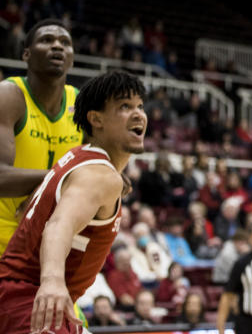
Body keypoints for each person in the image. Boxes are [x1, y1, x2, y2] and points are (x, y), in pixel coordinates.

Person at [0, 70, 148, 333]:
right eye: (124, 106)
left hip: (17, 296)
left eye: (139, 106)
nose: (138, 114)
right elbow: (58, 225)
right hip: (31, 303)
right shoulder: (100, 175)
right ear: (96, 119)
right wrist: (53, 281)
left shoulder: (77, 157)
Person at [0, 19, 81, 254]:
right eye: (47, 40)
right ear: (26, 54)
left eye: (65, 43)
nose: (57, 46)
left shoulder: (80, 103)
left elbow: (98, 172)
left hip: (49, 246)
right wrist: (61, 178)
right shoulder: (9, 95)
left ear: (72, 58)